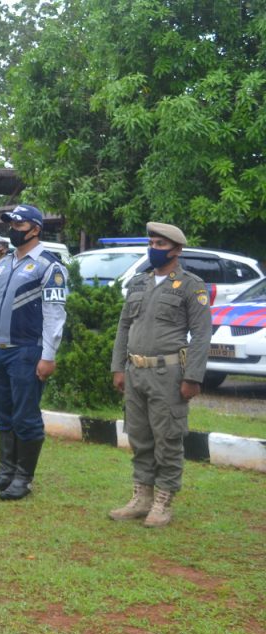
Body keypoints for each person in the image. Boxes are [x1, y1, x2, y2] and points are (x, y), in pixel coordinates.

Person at [108, 222, 212, 527]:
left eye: (161, 245)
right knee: (139, 437)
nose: (154, 249)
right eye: (151, 243)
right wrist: (118, 367)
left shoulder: (192, 286)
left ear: (177, 250)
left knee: (167, 438)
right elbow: (123, 328)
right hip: (135, 371)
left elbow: (202, 334)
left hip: (168, 374)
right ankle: (141, 497)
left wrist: (192, 377)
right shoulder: (138, 284)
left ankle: (163, 501)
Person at [0, 204, 67, 500]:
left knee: (25, 415)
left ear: (35, 229)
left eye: (18, 225)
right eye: (11, 225)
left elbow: (54, 314)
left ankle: (23, 479)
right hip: (0, 351)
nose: (12, 230)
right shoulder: (3, 264)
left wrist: (48, 355)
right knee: (3, 413)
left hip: (28, 351)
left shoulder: (49, 266)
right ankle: (5, 473)